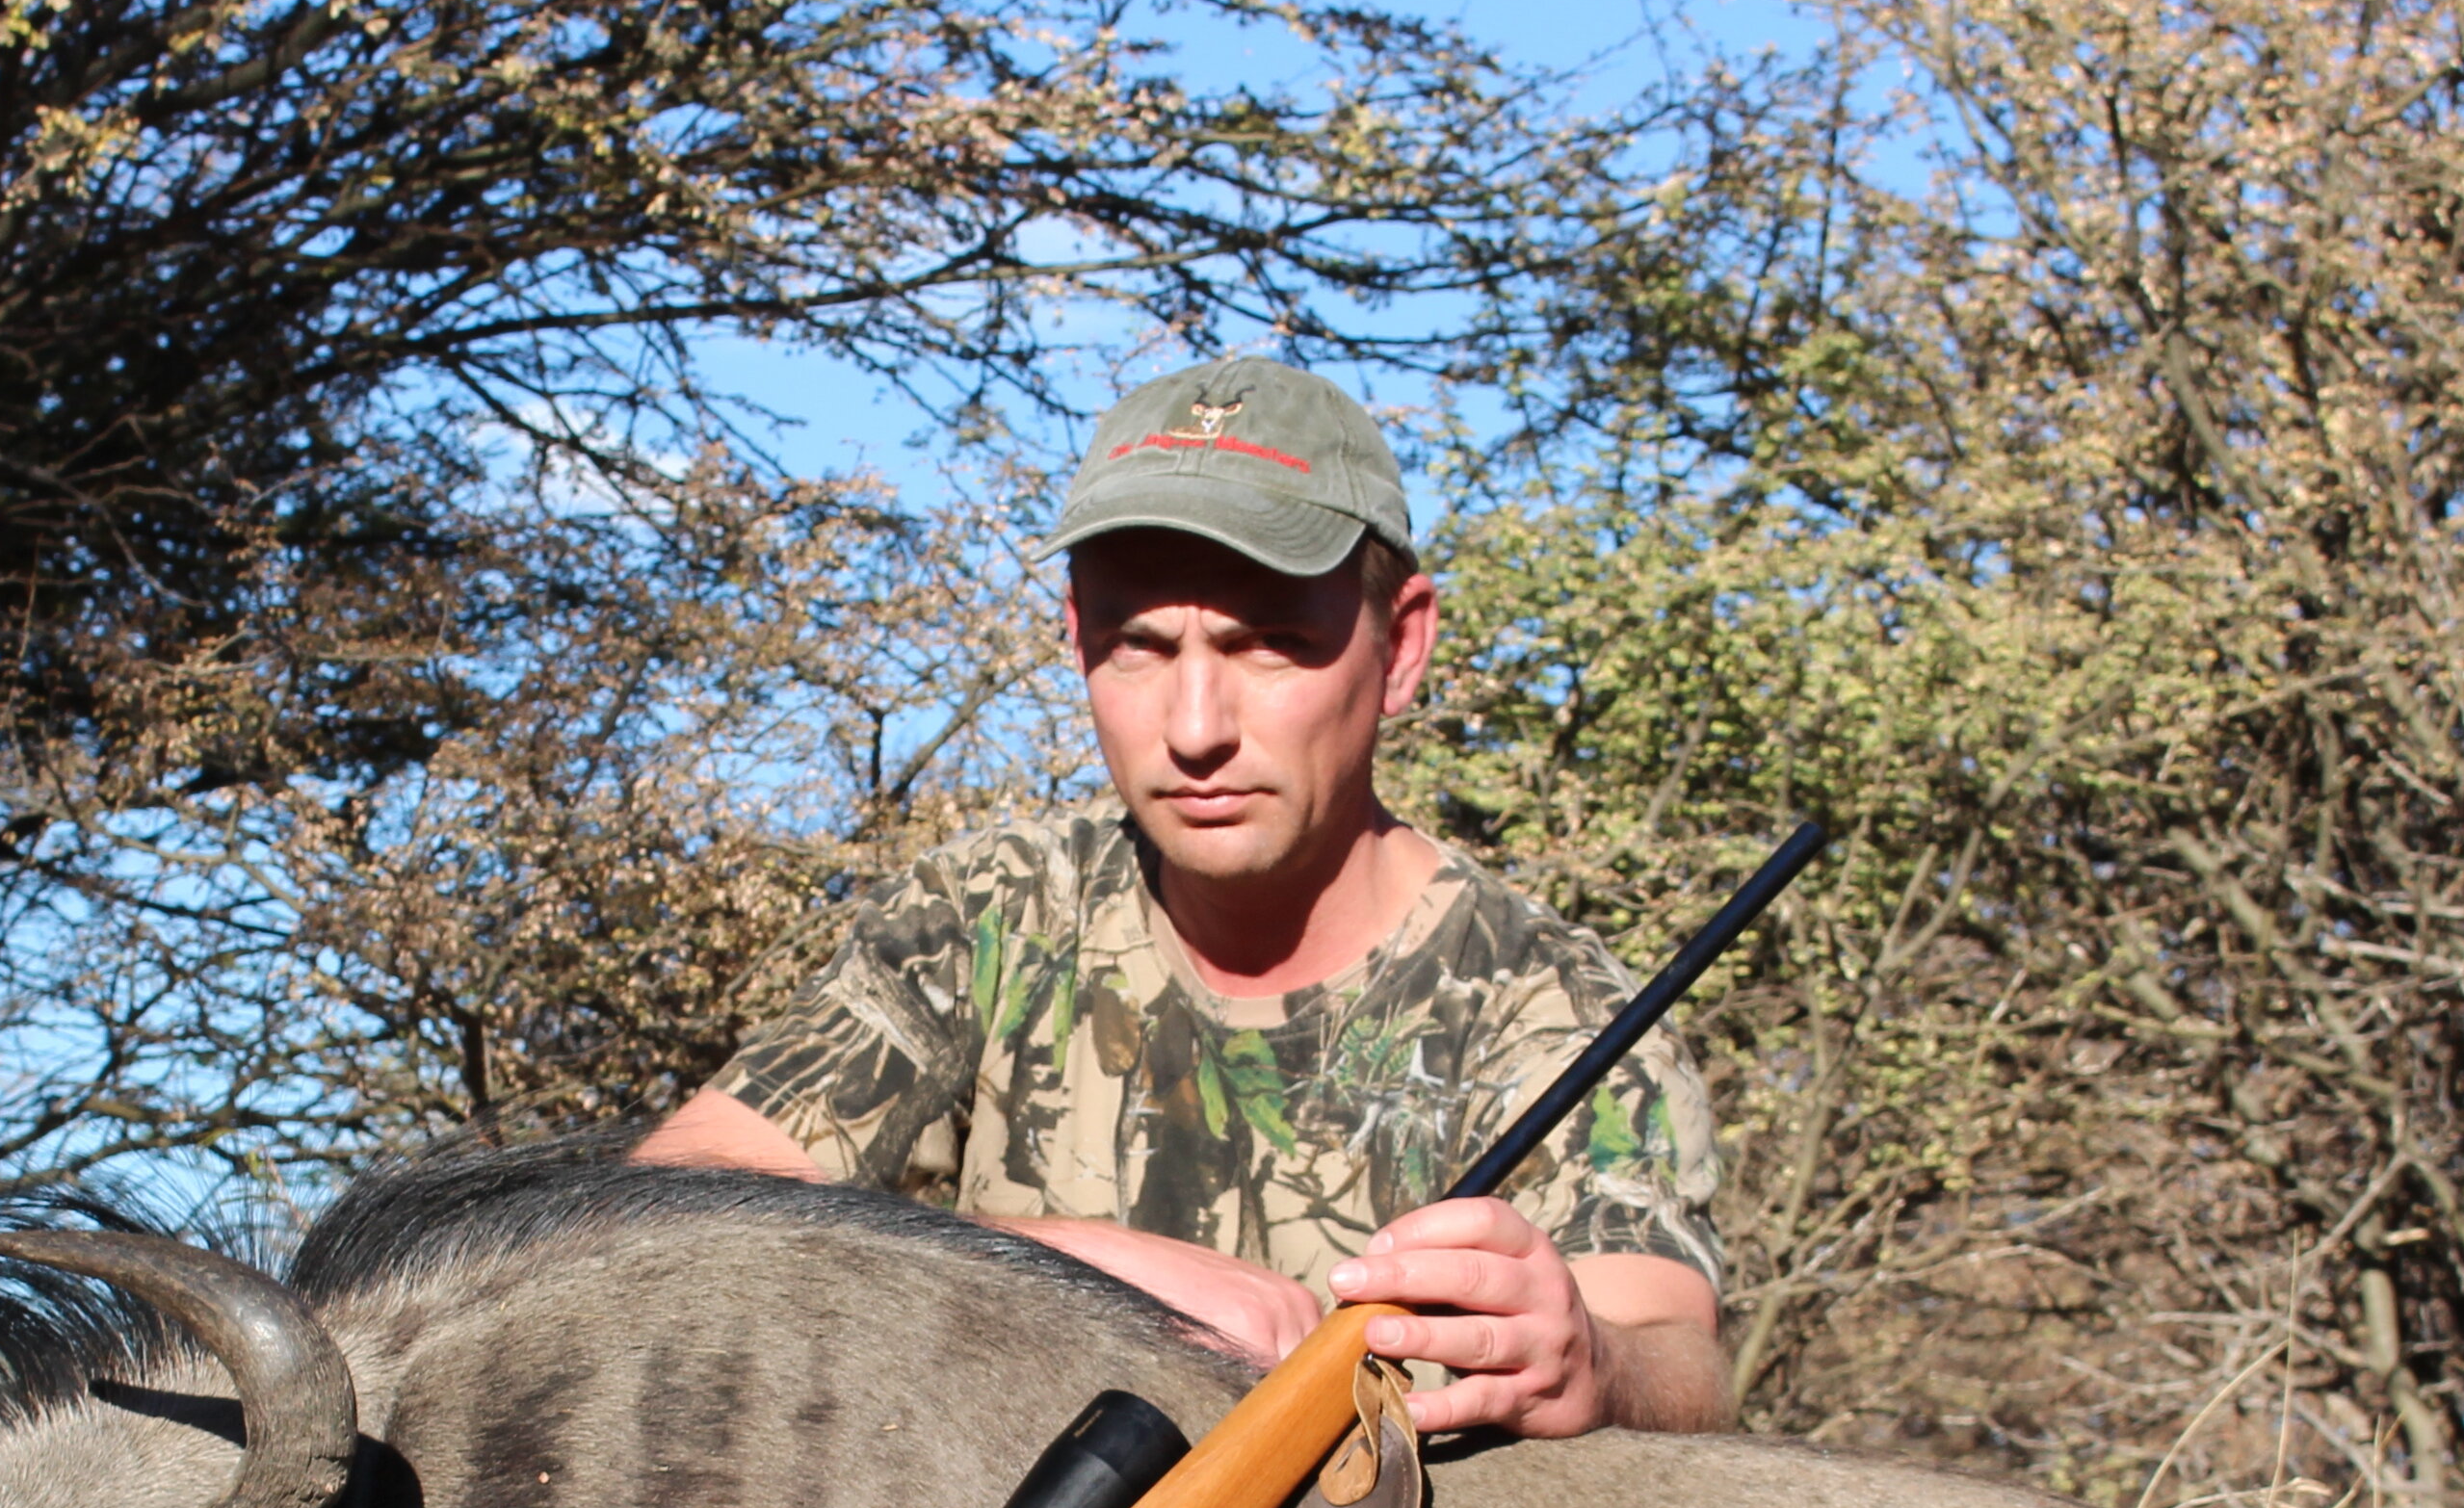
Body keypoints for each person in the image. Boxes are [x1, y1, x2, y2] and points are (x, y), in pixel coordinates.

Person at [638, 357, 1736, 1439]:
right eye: (1139, 648)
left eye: (1269, 645)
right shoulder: (984, 915)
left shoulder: (1548, 1003)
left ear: (1400, 647)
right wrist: (1073, 1267)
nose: (1196, 727)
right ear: (1077, 641)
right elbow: (673, 1206)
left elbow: (1676, 1350)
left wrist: (1594, 1360)